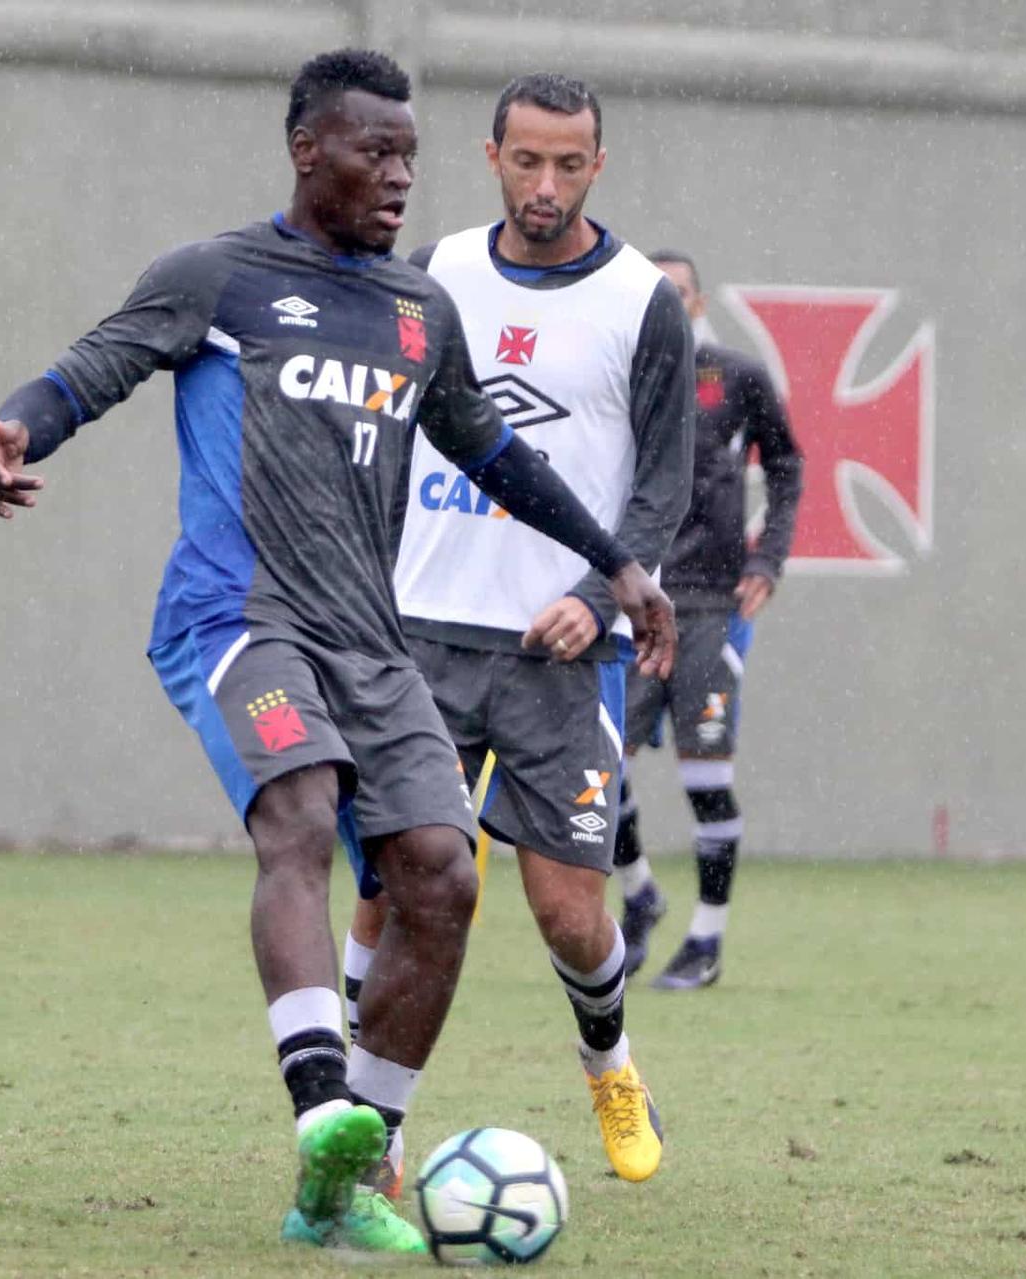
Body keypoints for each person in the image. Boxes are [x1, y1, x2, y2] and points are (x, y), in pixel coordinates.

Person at [0, 49, 676, 1256]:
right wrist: (20, 426)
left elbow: (495, 455)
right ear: (309, 150)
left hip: (370, 637)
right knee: (298, 814)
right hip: (239, 616)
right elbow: (100, 363)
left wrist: (612, 561)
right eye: (376, 152)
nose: (399, 176)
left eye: (409, 155)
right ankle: (322, 1109)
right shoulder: (220, 275)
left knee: (442, 878)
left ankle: (349, 1179)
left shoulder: (416, 308)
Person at [344, 72, 693, 1188]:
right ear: (491, 155)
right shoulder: (433, 272)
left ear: (600, 165)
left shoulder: (644, 303)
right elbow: (378, 429)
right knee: (404, 880)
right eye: (527, 160)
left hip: (561, 659)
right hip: (422, 637)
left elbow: (664, 489)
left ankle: (610, 1060)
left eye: (569, 164)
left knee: (568, 911)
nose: (546, 186)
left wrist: (596, 597)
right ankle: (364, 1125)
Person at [614, 249, 804, 989]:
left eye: (679, 293)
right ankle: (639, 895)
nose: (667, 303)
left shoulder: (735, 376)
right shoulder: (616, 372)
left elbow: (787, 463)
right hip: (628, 599)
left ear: (696, 304)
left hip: (706, 603)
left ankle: (707, 942)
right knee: (599, 773)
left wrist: (768, 560)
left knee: (706, 773)